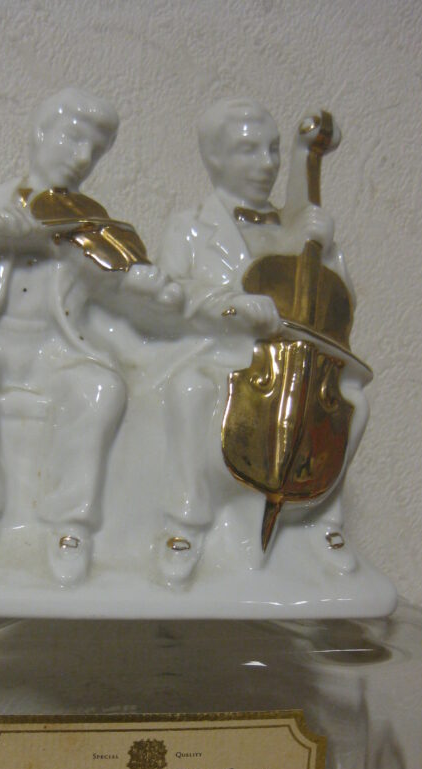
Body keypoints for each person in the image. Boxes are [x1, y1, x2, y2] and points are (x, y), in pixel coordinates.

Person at [0, 88, 177, 583]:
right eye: (73, 139)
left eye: (95, 151)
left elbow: (117, 290)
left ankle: (70, 527)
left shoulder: (93, 225)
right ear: (41, 133)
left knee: (100, 388)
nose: (82, 158)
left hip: (57, 348)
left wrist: (142, 282)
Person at [155, 97, 364, 582]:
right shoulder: (187, 228)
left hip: (295, 358)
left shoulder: (295, 228)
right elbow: (171, 297)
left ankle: (320, 520)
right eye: (249, 151)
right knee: (190, 389)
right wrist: (231, 305)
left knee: (355, 402)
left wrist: (324, 251)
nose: (267, 164)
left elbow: (340, 304)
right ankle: (185, 523)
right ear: (214, 158)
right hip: (217, 352)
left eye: (272, 150)